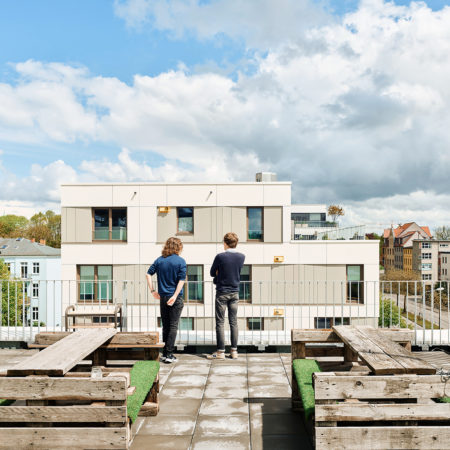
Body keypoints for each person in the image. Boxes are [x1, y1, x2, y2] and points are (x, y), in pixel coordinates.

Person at [146, 237, 186, 364]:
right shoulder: (180, 261)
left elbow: (148, 274)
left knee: (166, 325)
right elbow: (181, 280)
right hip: (175, 297)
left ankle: (165, 354)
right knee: (173, 325)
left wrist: (153, 291)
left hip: (162, 297)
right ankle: (169, 354)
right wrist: (175, 295)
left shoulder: (159, 260)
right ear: (178, 247)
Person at [207, 232, 245, 360]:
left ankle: (221, 352)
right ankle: (234, 351)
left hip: (222, 292)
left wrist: (219, 272)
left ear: (225, 243)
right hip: (235, 292)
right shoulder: (241, 257)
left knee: (220, 322)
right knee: (233, 322)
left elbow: (212, 273)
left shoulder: (220, 257)